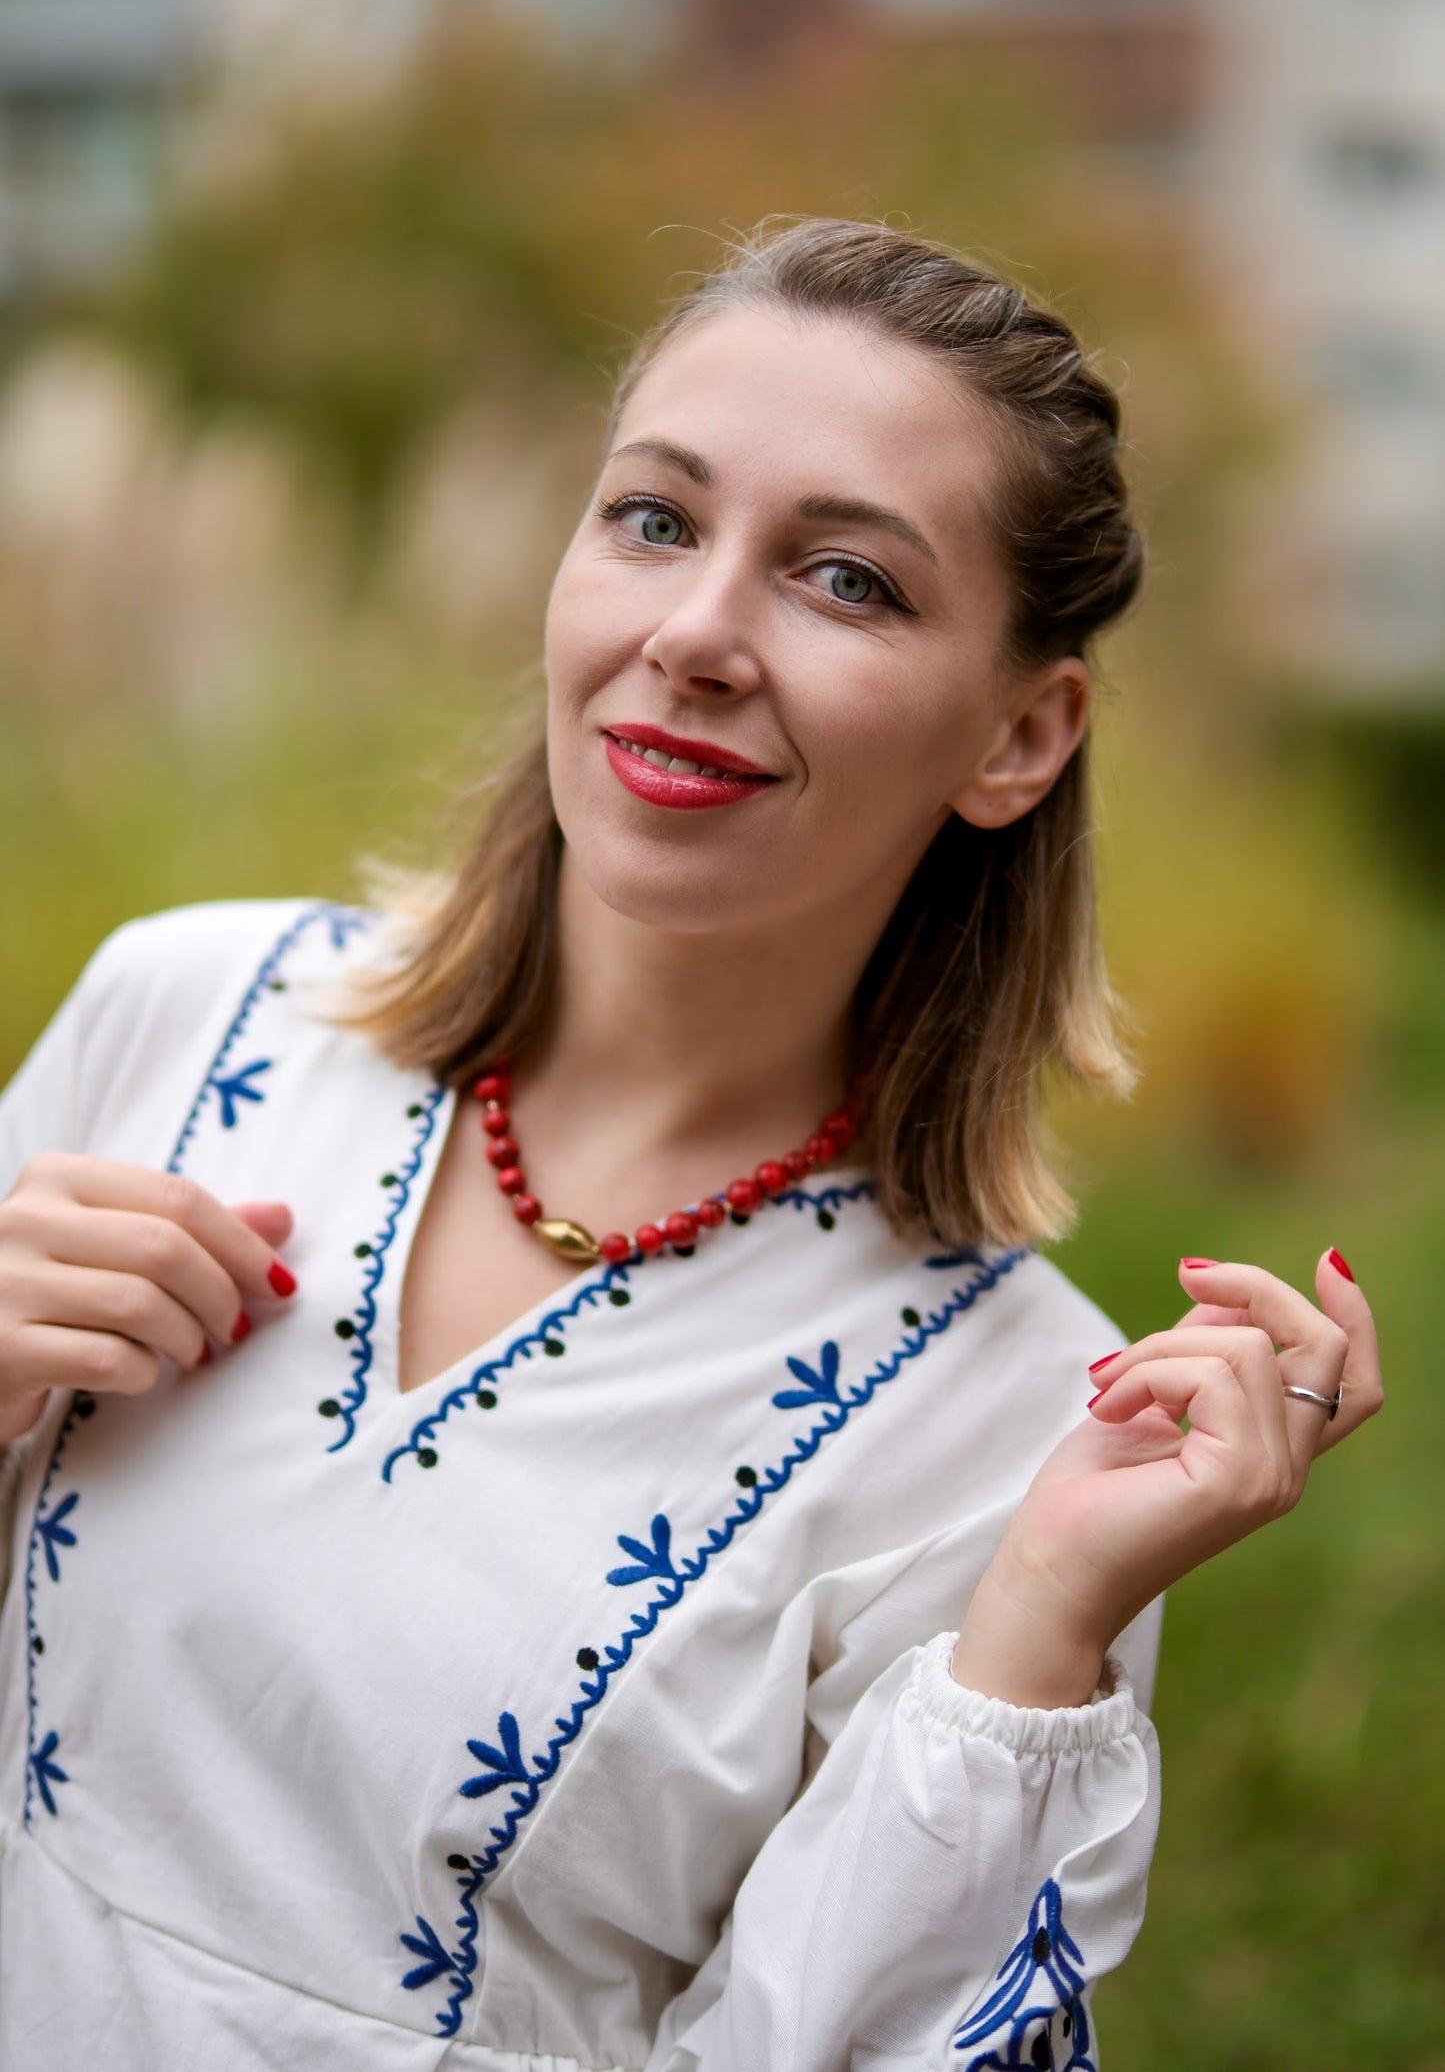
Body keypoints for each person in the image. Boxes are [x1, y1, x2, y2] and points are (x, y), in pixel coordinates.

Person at [0, 217, 1381, 2071]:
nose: (696, 635)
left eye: (846, 580)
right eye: (653, 519)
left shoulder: (1025, 1432)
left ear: (1020, 735)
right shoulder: (181, 1016)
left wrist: (1040, 1625)